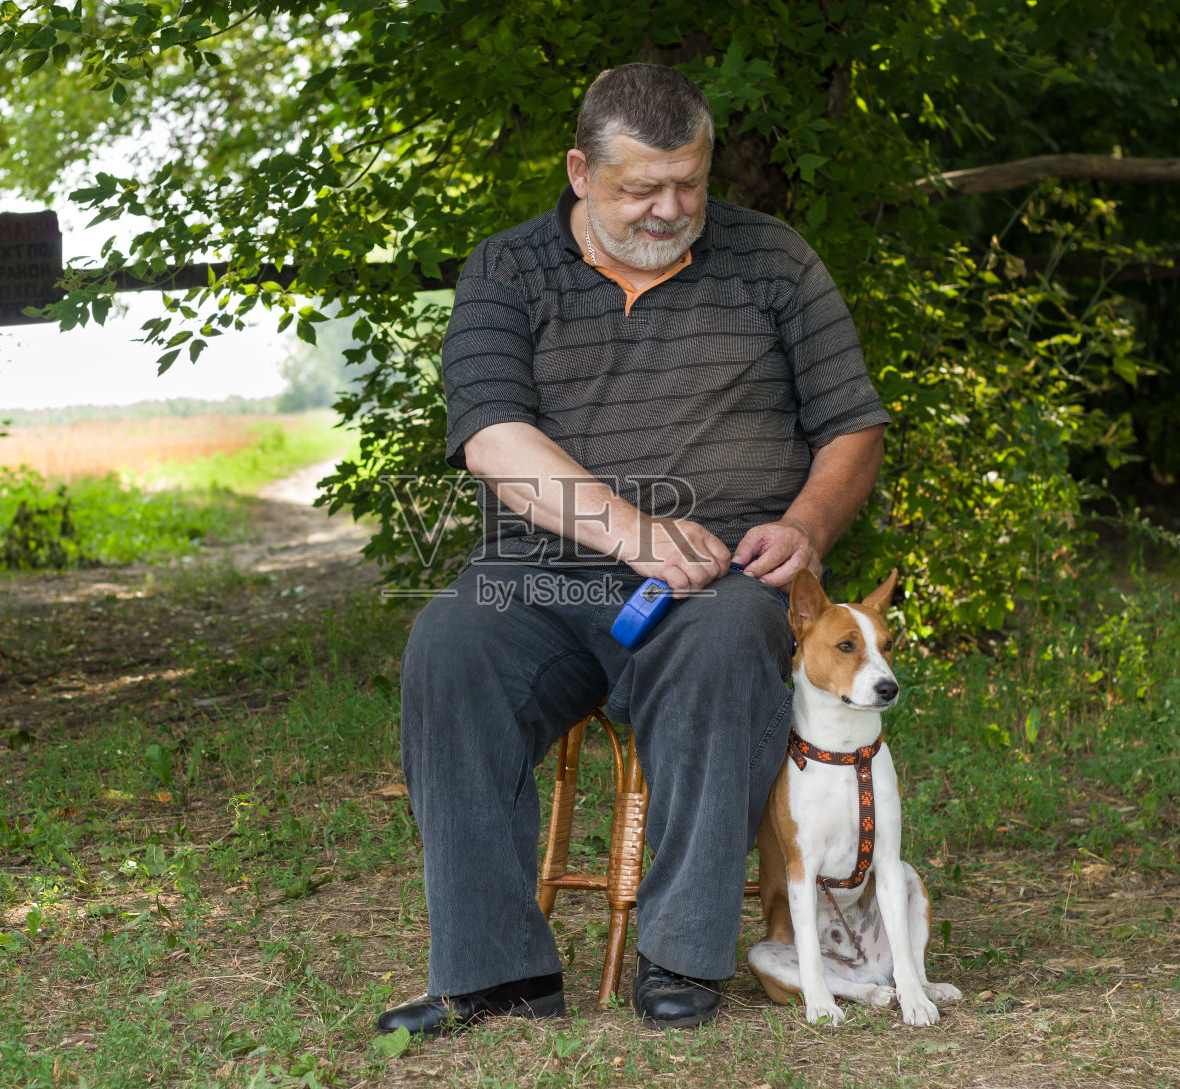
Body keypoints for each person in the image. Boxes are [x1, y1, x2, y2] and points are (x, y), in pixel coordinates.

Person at [377, 62, 890, 1035]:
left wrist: (808, 527)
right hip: (540, 574)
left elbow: (853, 425)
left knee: (725, 643)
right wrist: (633, 532)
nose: (670, 209)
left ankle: (680, 958)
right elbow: (491, 438)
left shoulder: (773, 260)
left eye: (688, 184)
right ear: (580, 171)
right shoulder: (507, 269)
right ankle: (496, 974)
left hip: (722, 577)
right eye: (641, 188)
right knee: (449, 646)